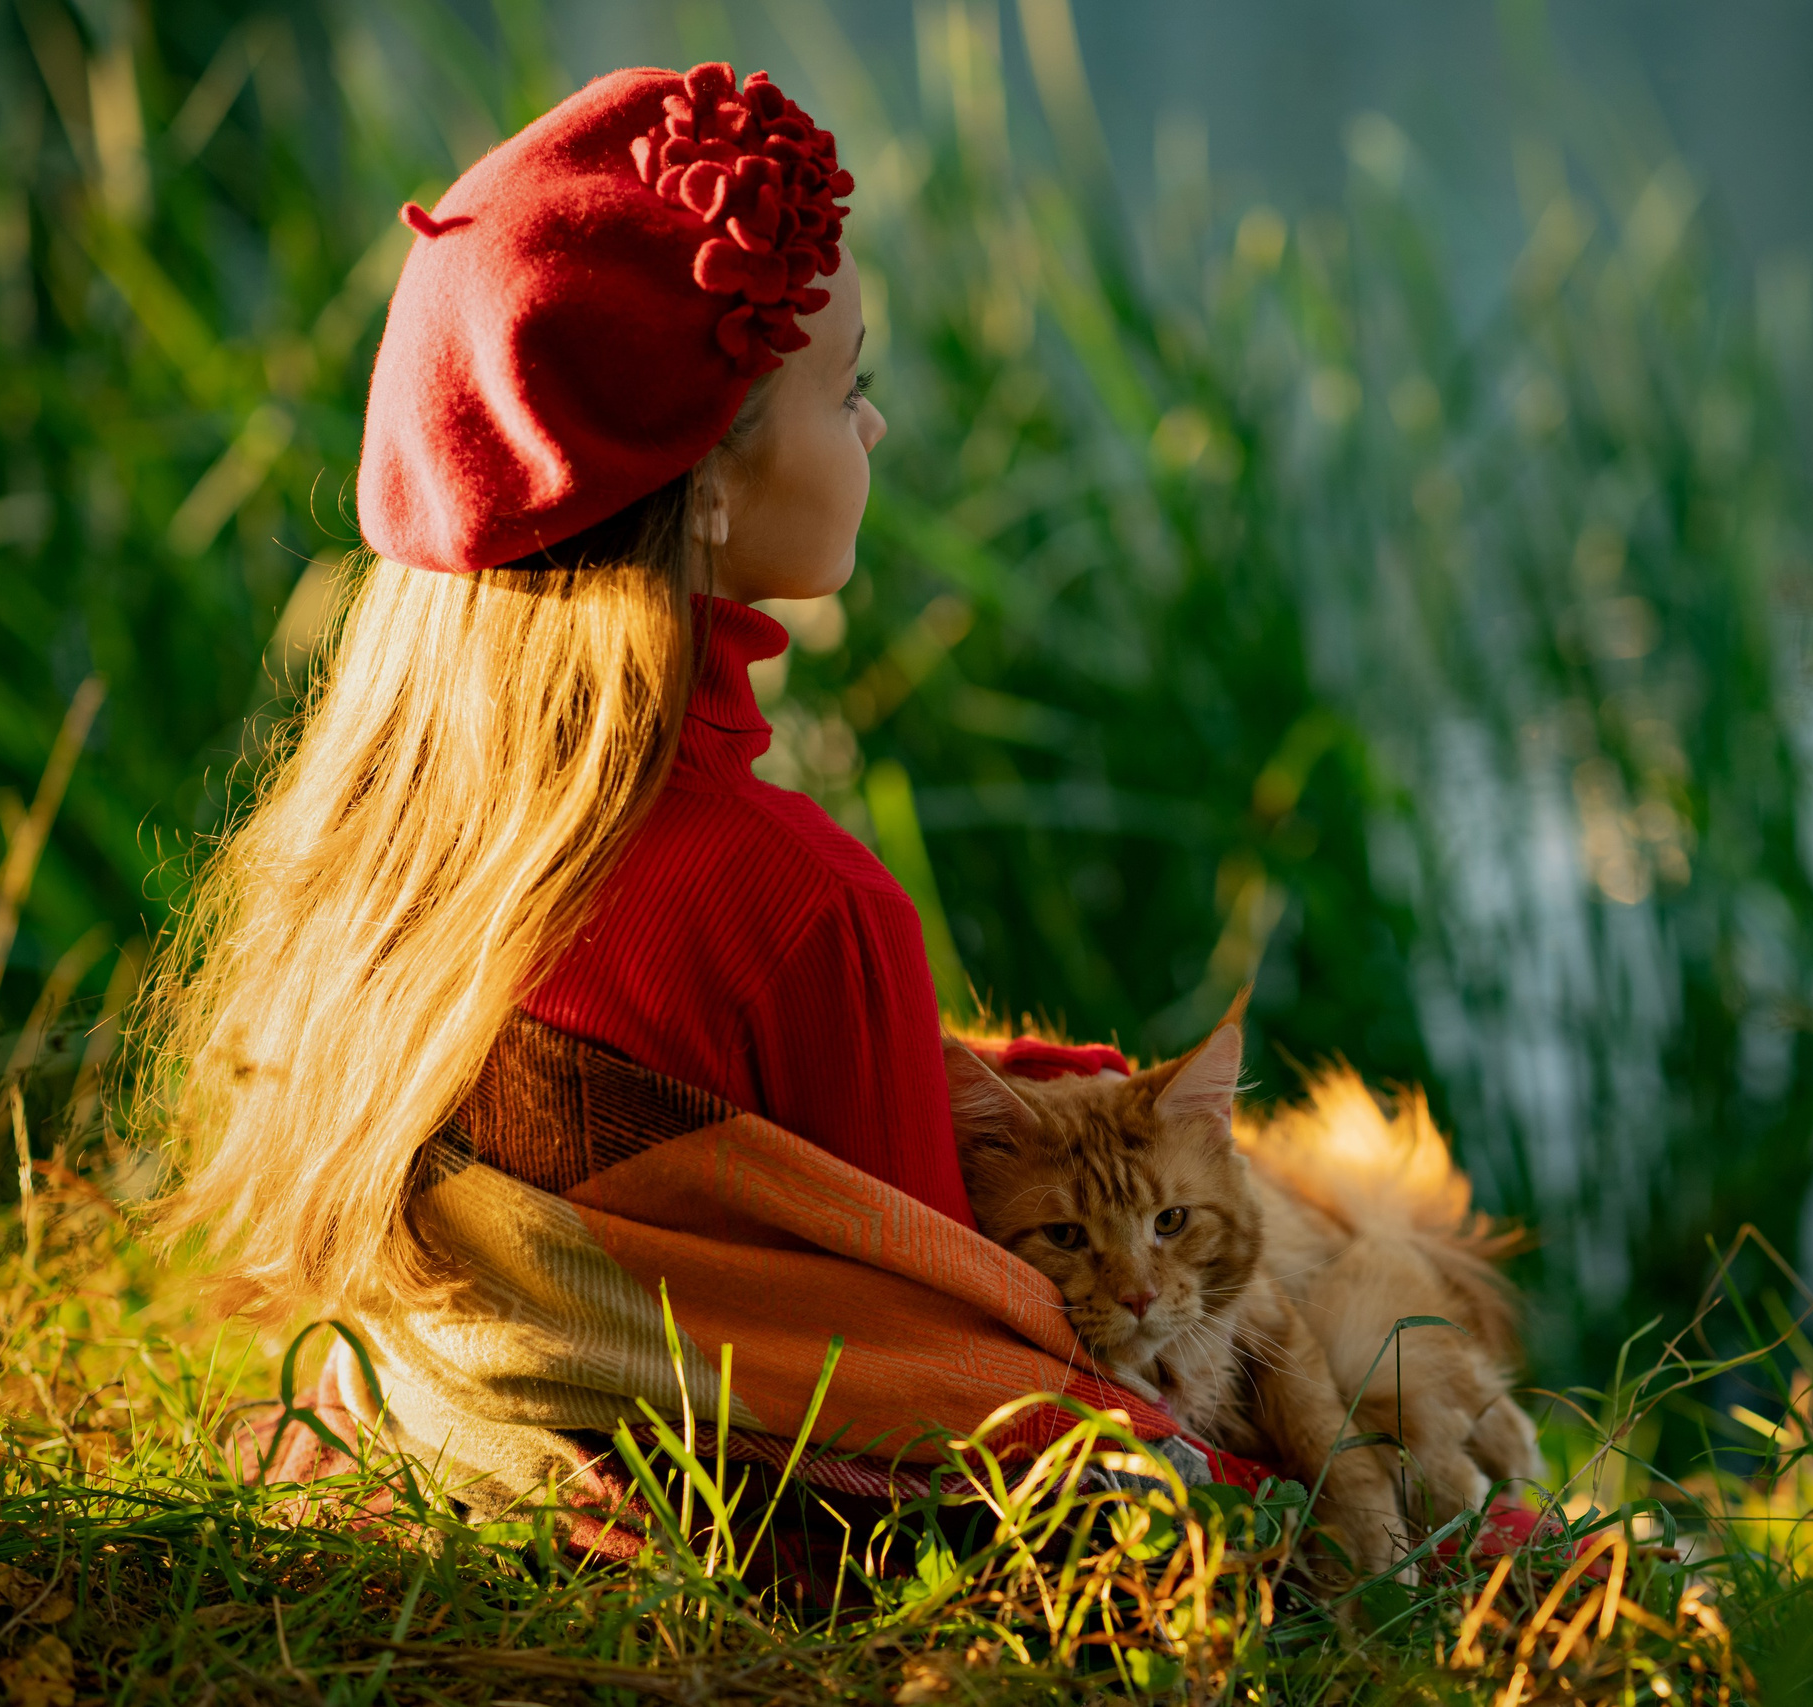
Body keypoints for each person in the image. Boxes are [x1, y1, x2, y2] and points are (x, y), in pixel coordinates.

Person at [146, 62, 1212, 1541]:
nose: (877, 432)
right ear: (703, 480)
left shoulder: (390, 856)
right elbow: (960, 1362)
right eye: (849, 391)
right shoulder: (800, 906)